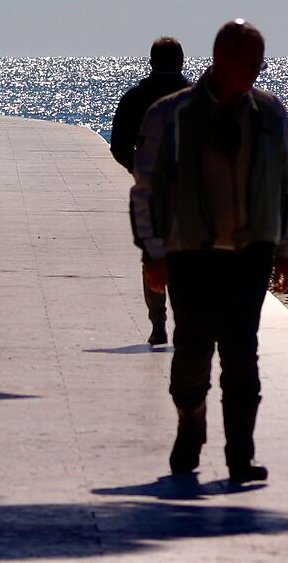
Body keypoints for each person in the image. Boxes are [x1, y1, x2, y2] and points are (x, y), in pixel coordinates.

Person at [128, 20, 288, 484]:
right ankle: (191, 423)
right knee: (192, 350)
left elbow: (287, 184)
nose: (255, 72)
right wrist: (153, 252)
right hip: (190, 252)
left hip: (251, 252)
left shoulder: (270, 113)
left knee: (243, 352)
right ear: (222, 58)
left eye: (260, 63)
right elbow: (144, 189)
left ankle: (241, 454)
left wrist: (286, 249)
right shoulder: (171, 114)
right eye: (248, 62)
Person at [109, 36, 190, 346]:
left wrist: (136, 168)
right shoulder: (197, 97)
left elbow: (119, 146)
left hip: (151, 187)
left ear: (152, 61)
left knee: (153, 255)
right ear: (181, 61)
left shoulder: (135, 98)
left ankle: (158, 321)